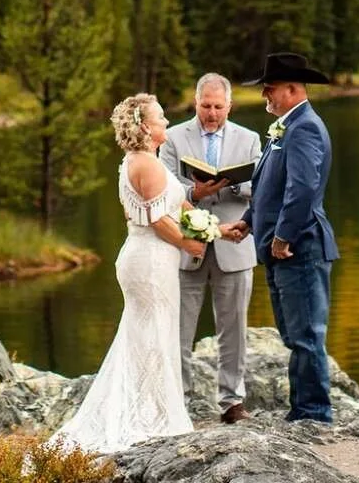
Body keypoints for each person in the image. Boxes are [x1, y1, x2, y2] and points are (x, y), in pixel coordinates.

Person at [52, 93, 211, 454]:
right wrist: (190, 244)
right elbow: (157, 219)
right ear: (144, 126)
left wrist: (215, 226)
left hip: (145, 258)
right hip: (151, 262)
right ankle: (150, 418)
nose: (167, 122)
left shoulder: (136, 160)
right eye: (160, 117)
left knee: (149, 336)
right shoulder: (147, 164)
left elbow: (166, 205)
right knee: (153, 337)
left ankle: (149, 409)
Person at [219, 51, 338, 423]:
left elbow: (302, 188)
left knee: (306, 334)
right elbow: (270, 186)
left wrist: (284, 236)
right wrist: (250, 221)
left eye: (269, 89)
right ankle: (302, 409)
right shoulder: (285, 125)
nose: (264, 96)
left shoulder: (304, 127)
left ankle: (313, 414)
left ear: (291, 88)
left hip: (299, 247)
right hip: (278, 247)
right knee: (293, 334)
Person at [158, 72, 262, 424]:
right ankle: (180, 402)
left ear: (229, 105)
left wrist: (231, 187)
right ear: (196, 102)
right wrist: (194, 194)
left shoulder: (249, 139)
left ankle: (232, 403)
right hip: (186, 246)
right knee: (180, 329)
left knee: (233, 328)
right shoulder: (172, 138)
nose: (212, 113)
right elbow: (163, 189)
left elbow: (261, 188)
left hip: (234, 243)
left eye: (219, 106)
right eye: (206, 106)